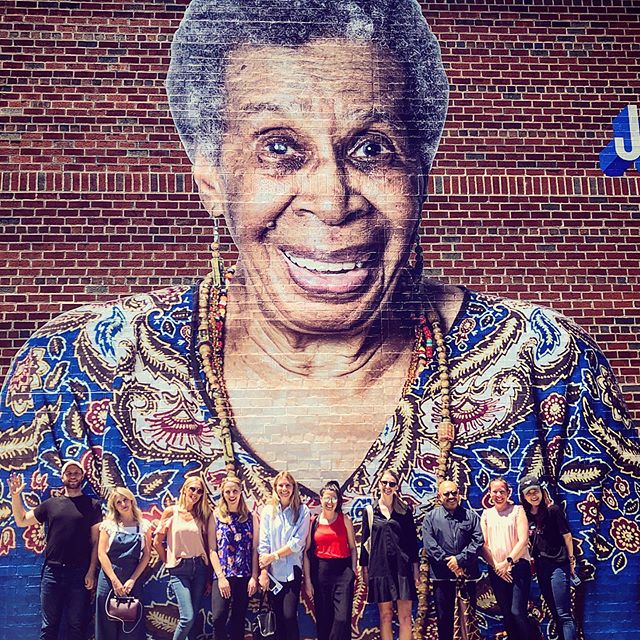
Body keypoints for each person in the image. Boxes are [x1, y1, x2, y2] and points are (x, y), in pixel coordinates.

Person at [1, 0, 639, 637]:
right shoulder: (70, 379)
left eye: (372, 147)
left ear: (421, 170)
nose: (332, 200)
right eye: (279, 147)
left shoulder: (550, 371)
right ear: (210, 176)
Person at [8, 461, 102, 640]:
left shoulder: (93, 505)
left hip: (79, 573)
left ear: (82, 476)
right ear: (62, 477)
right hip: (53, 572)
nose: (72, 476)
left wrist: (91, 571)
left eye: (76, 473)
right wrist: (15, 496)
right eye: (69, 473)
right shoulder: (50, 504)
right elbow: (21, 520)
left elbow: (96, 541)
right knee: (49, 626)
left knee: (76, 625)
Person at [359, 470, 420, 640]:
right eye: (384, 482)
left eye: (391, 483)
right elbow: (365, 543)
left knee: (406, 617)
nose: (387, 486)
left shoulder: (404, 512)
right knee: (385, 616)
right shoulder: (370, 512)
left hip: (402, 569)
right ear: (378, 484)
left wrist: (415, 568)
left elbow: (412, 542)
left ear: (396, 487)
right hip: (380, 569)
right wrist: (364, 569)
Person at [421, 480, 483, 640]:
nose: (451, 496)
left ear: (459, 494)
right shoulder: (430, 519)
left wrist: (460, 560)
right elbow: (430, 545)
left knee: (468, 618)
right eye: (446, 494)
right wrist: (451, 563)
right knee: (444, 620)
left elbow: (478, 541)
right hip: (442, 578)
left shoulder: (470, 516)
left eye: (454, 493)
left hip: (467, 577)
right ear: (439, 496)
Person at [519, 475, 577, 640]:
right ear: (524, 497)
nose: (533, 495)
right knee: (554, 613)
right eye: (529, 493)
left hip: (558, 565)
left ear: (542, 491)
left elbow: (567, 536)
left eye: (535, 491)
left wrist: (571, 561)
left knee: (563, 613)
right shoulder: (525, 516)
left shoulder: (553, 511)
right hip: (541, 568)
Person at [154, 476, 210, 640]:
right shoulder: (172, 512)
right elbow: (157, 542)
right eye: (192, 489)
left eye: (199, 491)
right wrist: (168, 562)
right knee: (187, 617)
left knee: (193, 619)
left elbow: (206, 545)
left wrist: (208, 575)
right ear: (184, 489)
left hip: (199, 568)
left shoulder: (200, 515)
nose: (195, 493)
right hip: (179, 570)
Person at [258, 471, 311, 640]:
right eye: (280, 485)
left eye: (288, 485)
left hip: (292, 572)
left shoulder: (302, 511)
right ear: (275, 488)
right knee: (278, 617)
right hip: (273, 574)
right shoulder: (268, 511)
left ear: (293, 488)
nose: (284, 489)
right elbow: (263, 543)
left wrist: (272, 556)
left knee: (289, 616)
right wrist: (264, 572)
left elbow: (297, 543)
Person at [481, 477, 535, 640]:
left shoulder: (517, 511)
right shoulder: (486, 514)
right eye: (495, 491)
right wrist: (497, 566)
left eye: (502, 491)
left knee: (517, 611)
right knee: (506, 613)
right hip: (497, 570)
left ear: (508, 492)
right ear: (489, 493)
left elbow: (523, 540)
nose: (498, 494)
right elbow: (483, 545)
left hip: (518, 568)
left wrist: (507, 562)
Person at [96, 486, 152, 640]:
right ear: (114, 506)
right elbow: (101, 554)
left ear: (131, 500)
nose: (123, 504)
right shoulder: (109, 525)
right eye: (118, 502)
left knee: (130, 624)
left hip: (132, 577)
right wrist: (114, 581)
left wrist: (132, 580)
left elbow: (146, 556)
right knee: (107, 622)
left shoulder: (144, 526)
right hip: (109, 577)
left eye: (125, 500)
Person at [303, 481, 357, 640]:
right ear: (320, 499)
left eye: (334, 498)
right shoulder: (314, 522)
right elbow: (306, 551)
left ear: (338, 501)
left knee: (342, 619)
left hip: (343, 572)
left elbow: (353, 547)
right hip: (321, 572)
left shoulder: (344, 519)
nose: (330, 502)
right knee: (324, 619)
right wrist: (307, 581)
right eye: (327, 498)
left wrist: (353, 570)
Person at [209, 474, 259, 640]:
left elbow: (254, 549)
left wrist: (254, 576)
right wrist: (221, 577)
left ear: (241, 492)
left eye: (235, 491)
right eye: (228, 491)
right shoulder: (216, 516)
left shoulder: (251, 517)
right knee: (218, 618)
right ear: (223, 493)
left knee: (238, 620)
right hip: (222, 575)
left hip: (243, 576)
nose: (231, 495)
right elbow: (212, 549)